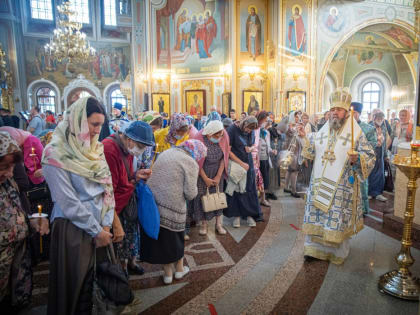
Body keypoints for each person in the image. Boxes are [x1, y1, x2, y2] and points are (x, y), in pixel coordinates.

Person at [43, 97, 119, 314]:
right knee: (75, 287)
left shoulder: (95, 148)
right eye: (93, 124)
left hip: (100, 227)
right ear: (78, 120)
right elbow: (67, 201)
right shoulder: (54, 153)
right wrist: (96, 230)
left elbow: (108, 187)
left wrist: (106, 224)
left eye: (100, 125)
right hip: (73, 229)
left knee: (100, 287)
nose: (97, 131)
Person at [300, 89, 375, 264]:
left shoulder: (356, 133)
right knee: (317, 214)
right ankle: (313, 249)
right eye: (332, 109)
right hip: (319, 182)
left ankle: (336, 252)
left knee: (336, 216)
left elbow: (370, 156)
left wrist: (358, 158)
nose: (335, 112)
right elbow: (311, 153)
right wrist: (304, 138)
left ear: (346, 112)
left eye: (339, 109)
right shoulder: (323, 131)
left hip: (341, 186)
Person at [141, 140, 206, 284]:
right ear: (196, 152)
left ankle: (168, 274)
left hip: (155, 205)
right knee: (176, 238)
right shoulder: (191, 162)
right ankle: (179, 271)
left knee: (164, 240)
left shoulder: (167, 152)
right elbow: (190, 193)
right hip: (174, 207)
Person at [0, 132, 49, 312]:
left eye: (13, 166)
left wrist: (32, 221)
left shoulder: (7, 181)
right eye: (5, 167)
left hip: (17, 264)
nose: (10, 172)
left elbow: (15, 211)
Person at [103, 121, 154, 276]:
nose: (142, 150)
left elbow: (125, 177)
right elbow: (108, 189)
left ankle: (131, 262)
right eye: (141, 146)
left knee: (131, 235)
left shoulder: (128, 149)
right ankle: (121, 268)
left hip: (127, 199)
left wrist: (136, 175)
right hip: (115, 205)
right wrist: (114, 221)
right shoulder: (109, 148)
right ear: (130, 140)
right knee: (119, 239)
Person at [190, 120, 230, 235]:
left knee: (218, 196)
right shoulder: (199, 137)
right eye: (215, 136)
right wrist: (205, 178)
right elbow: (197, 161)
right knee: (202, 197)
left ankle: (219, 224)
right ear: (209, 134)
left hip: (218, 170)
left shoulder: (224, 135)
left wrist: (218, 176)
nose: (218, 138)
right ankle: (204, 225)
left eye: (220, 136)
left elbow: (224, 157)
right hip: (202, 170)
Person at [224, 116, 261, 227]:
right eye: (248, 129)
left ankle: (249, 215)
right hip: (237, 163)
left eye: (251, 130)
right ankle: (237, 216)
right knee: (237, 189)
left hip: (247, 163)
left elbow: (251, 145)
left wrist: (250, 149)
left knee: (248, 188)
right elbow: (228, 151)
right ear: (244, 124)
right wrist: (241, 163)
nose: (248, 131)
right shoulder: (232, 130)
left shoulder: (251, 131)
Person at [350, 102, 377, 215]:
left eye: (354, 113)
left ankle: (363, 209)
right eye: (349, 112)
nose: (351, 115)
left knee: (362, 185)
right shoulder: (344, 127)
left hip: (360, 162)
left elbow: (372, 145)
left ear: (359, 114)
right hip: (347, 162)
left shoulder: (369, 128)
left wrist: (358, 155)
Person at [368, 110, 388, 202]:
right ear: (374, 118)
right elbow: (366, 141)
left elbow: (385, 143)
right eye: (378, 118)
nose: (380, 120)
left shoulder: (383, 128)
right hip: (372, 153)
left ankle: (378, 193)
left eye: (381, 118)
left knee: (380, 175)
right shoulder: (369, 127)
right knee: (371, 174)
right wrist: (375, 144)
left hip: (381, 154)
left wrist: (386, 154)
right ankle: (370, 193)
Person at [284, 112, 303, 198]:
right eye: (295, 117)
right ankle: (293, 191)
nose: (297, 118)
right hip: (292, 151)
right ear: (292, 117)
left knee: (290, 170)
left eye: (298, 117)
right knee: (294, 171)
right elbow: (294, 134)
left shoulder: (293, 126)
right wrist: (298, 128)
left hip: (295, 151)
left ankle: (285, 187)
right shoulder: (289, 127)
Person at [259, 117, 277, 206]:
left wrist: (272, 150)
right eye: (266, 122)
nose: (267, 124)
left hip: (265, 158)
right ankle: (257, 198)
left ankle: (263, 198)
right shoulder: (257, 131)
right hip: (258, 159)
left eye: (269, 122)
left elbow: (268, 146)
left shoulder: (267, 133)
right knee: (258, 179)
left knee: (265, 179)